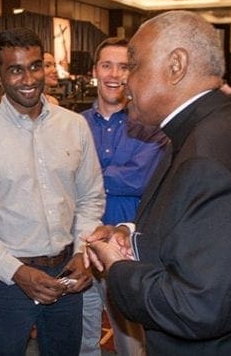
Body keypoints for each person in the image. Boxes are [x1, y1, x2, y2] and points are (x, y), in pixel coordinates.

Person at [84, 10, 231, 355]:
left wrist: (119, 268)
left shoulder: (208, 153)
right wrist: (131, 235)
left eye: (133, 66)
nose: (126, 81)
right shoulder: (223, 129)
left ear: (176, 65)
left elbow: (198, 307)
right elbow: (208, 236)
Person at [0, 27, 105, 355]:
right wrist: (16, 271)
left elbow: (90, 198)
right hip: (5, 280)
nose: (29, 78)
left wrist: (81, 252)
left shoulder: (73, 125)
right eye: (15, 70)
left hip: (67, 272)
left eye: (35, 66)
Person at [80, 37, 166, 356]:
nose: (114, 74)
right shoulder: (75, 124)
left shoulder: (150, 125)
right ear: (95, 71)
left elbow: (138, 178)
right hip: (82, 246)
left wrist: (84, 179)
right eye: (107, 65)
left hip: (128, 249)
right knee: (83, 335)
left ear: (133, 73)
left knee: (131, 341)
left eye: (123, 66)